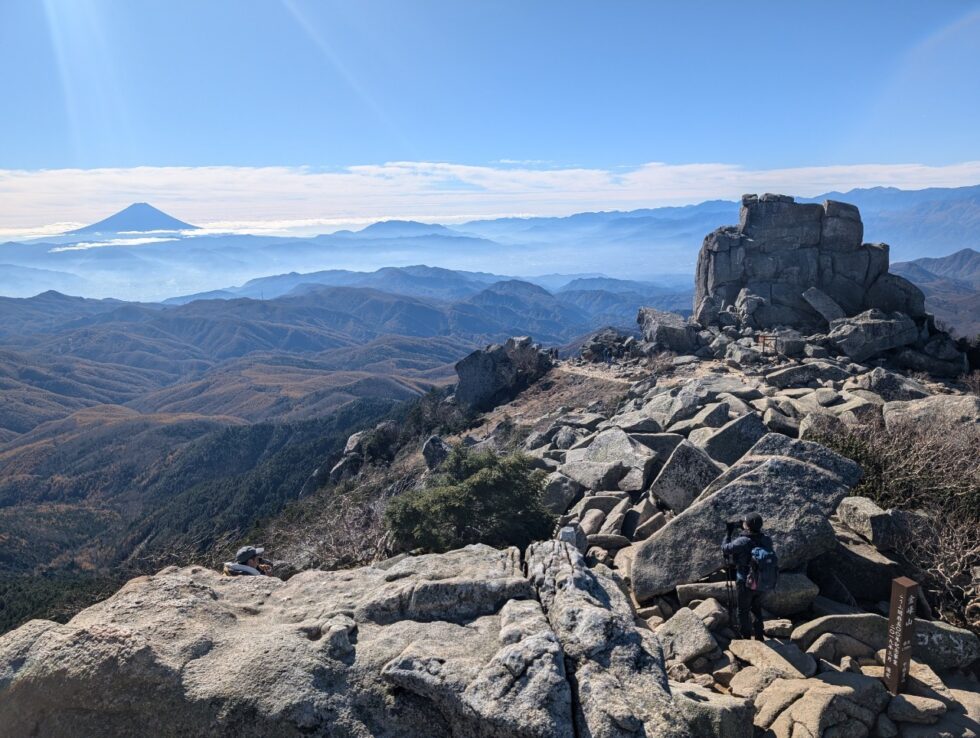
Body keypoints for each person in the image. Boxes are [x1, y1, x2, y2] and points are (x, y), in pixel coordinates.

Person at [721, 512, 774, 640]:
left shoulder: (742, 541)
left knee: (743, 610)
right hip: (761, 580)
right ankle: (759, 636)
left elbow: (725, 549)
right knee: (756, 607)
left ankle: (745, 637)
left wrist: (728, 533)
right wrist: (745, 528)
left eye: (744, 522)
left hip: (745, 580)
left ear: (748, 526)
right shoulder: (766, 539)